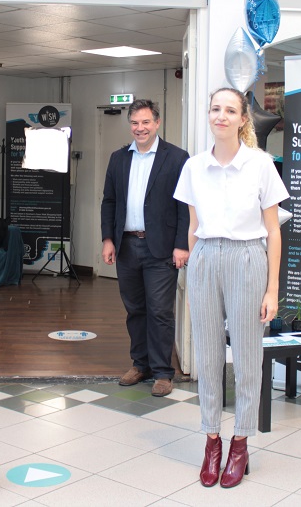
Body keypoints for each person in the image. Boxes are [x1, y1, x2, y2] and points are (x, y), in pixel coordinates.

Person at [173, 87, 289, 489]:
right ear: (209, 115)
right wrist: (193, 275)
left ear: (243, 119)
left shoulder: (260, 164)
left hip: (247, 258)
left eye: (230, 110)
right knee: (205, 356)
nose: (220, 115)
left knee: (246, 355)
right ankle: (211, 441)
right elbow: (191, 227)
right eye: (215, 109)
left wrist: (272, 290)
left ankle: (240, 441)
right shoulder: (194, 167)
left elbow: (273, 232)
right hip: (205, 257)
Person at [101, 98, 190, 397]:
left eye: (145, 122)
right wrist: (108, 239)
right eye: (135, 123)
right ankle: (140, 365)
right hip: (126, 245)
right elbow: (109, 202)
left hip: (162, 249)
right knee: (135, 310)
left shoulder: (177, 158)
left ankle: (163, 372)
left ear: (157, 123)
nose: (140, 128)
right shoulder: (118, 158)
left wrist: (182, 245)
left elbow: (184, 207)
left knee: (161, 311)